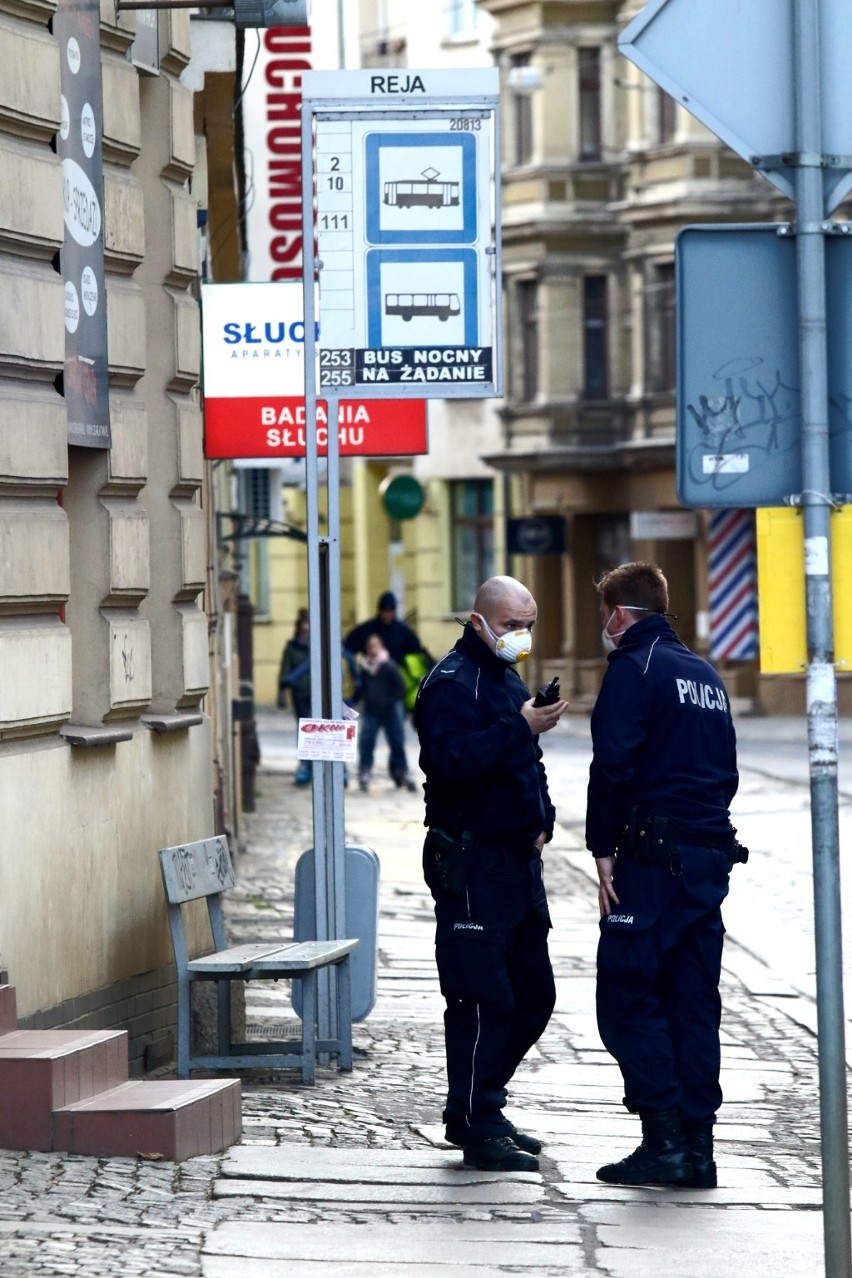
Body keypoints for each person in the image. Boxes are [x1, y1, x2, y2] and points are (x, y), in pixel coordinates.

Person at [586, 561, 747, 1190]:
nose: (605, 626)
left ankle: (662, 1140)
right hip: (706, 859)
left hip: (652, 860)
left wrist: (602, 846)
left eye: (606, 615)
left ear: (620, 614)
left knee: (628, 994)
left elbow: (613, 763)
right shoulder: (706, 676)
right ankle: (699, 1147)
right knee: (692, 1000)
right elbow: (726, 768)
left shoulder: (636, 668)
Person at [414, 575, 567, 1173]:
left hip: (517, 859)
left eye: (529, 625)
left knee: (534, 994)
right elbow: (446, 763)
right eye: (511, 626)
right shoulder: (452, 683)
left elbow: (527, 761)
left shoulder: (505, 676)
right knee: (482, 997)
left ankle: (482, 1104)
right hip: (472, 859)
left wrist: (543, 816)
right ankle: (476, 1122)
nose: (522, 636)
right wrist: (519, 727)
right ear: (478, 622)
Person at [278, 609, 358, 786]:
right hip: (312, 696)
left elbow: (355, 675)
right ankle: (307, 767)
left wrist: (357, 692)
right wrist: (287, 682)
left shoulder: (344, 656)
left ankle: (340, 769)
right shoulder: (314, 653)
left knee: (337, 732)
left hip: (339, 699)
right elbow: (301, 669)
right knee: (310, 732)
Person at [345, 591, 433, 714]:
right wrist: (353, 671)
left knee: (396, 730)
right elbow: (348, 648)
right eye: (384, 611)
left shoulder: (403, 631)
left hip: (395, 687)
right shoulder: (368, 630)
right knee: (369, 730)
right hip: (373, 687)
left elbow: (418, 652)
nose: (387, 614)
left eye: (390, 611)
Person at [354, 634, 417, 792]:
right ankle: (365, 771)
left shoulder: (389, 666)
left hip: (391, 711)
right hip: (371, 710)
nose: (372, 649)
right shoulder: (365, 668)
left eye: (375, 645)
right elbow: (360, 688)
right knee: (367, 742)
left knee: (397, 743)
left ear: (381, 647)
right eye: (370, 646)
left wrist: (390, 702)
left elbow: (400, 688)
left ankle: (402, 771)